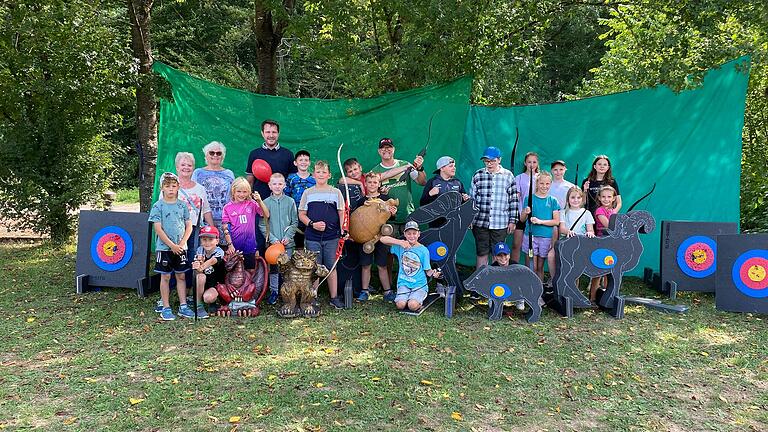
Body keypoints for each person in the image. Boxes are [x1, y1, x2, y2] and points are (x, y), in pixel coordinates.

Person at [298, 160, 346, 309]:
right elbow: (301, 214)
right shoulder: (308, 192)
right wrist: (312, 224)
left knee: (331, 267)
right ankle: (313, 298)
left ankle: (334, 297)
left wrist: (342, 229)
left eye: (324, 172)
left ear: (329, 175)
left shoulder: (336, 192)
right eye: (318, 172)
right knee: (314, 268)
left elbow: (341, 212)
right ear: (313, 174)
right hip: (312, 237)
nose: (321, 174)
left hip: (332, 237)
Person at [148, 172, 193, 321]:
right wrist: (171, 245)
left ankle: (183, 306)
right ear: (162, 188)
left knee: (181, 276)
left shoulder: (182, 205)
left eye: (174, 186)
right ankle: (166, 307)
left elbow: (189, 226)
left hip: (181, 248)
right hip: (165, 249)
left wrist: (180, 244)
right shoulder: (158, 206)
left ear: (178, 187)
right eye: (167, 186)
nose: (171, 189)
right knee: (165, 277)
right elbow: (158, 229)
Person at [470, 146, 519, 270]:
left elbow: (513, 200)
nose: (489, 163)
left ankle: (496, 284)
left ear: (499, 160)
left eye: (492, 160)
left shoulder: (508, 176)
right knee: (481, 253)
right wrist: (469, 218)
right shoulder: (478, 175)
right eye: (486, 161)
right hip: (480, 222)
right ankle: (480, 283)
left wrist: (513, 220)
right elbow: (472, 199)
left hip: (500, 223)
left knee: (498, 254)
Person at [370, 137, 426, 237]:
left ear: (394, 149)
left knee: (410, 249)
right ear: (379, 151)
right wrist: (380, 192)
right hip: (386, 219)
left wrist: (420, 168)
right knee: (390, 250)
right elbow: (372, 195)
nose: (386, 150)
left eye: (389, 147)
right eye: (383, 148)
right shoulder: (374, 171)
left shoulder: (405, 164)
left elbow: (421, 182)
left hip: (408, 216)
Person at [379, 221, 441, 311]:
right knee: (400, 305)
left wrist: (434, 273)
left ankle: (417, 299)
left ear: (418, 234)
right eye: (409, 234)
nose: (412, 236)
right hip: (403, 283)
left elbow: (428, 271)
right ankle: (408, 297)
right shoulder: (400, 246)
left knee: (412, 305)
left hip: (419, 285)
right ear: (404, 234)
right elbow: (382, 239)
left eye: (414, 233)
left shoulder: (423, 250)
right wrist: (400, 242)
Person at [260, 173, 298, 305]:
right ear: (269, 186)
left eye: (280, 184)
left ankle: (288, 292)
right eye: (274, 184)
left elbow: (295, 222)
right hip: (274, 245)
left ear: (284, 185)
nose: (277, 186)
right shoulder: (265, 203)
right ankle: (274, 291)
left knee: (287, 268)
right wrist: (272, 239)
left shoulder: (290, 201)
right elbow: (262, 224)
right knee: (274, 268)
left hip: (287, 244)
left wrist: (288, 237)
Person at [359, 172, 397, 302]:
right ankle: (364, 291)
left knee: (382, 265)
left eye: (375, 182)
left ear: (379, 184)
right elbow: (356, 219)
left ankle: (387, 291)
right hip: (366, 238)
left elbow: (391, 218)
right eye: (369, 182)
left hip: (381, 237)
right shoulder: (362, 200)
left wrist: (392, 213)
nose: (372, 185)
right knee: (366, 265)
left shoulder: (385, 199)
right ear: (365, 183)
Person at [546, 187, 596, 286]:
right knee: (551, 256)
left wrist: (590, 233)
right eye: (573, 197)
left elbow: (591, 230)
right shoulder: (563, 212)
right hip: (565, 242)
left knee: (575, 262)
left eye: (578, 197)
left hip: (580, 244)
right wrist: (569, 231)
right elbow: (562, 228)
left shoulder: (587, 213)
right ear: (568, 199)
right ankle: (555, 281)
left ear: (582, 199)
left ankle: (574, 286)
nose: (576, 200)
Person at [221, 178, 270, 273]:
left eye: (245, 192)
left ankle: (249, 287)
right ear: (233, 191)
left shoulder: (252, 204)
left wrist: (259, 201)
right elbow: (225, 227)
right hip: (234, 246)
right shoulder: (227, 207)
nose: (242, 194)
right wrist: (230, 245)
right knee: (235, 272)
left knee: (250, 271)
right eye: (239, 191)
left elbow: (266, 215)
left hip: (250, 245)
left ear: (249, 192)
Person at [519, 171, 560, 282]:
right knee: (531, 267)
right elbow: (522, 219)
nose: (544, 186)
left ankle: (539, 292)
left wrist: (540, 221)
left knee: (539, 268)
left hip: (546, 238)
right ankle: (529, 291)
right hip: (530, 237)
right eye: (541, 183)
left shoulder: (553, 201)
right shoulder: (529, 198)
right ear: (537, 184)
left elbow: (556, 221)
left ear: (550, 184)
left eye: (547, 184)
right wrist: (525, 212)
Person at [336, 158, 368, 301]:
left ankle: (364, 284)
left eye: (355, 169)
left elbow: (384, 176)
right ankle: (350, 282)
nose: (353, 173)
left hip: (366, 221)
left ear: (360, 168)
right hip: (351, 221)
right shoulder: (349, 182)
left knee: (364, 253)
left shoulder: (368, 177)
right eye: (350, 171)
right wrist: (359, 183)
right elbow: (341, 180)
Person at [191, 141, 235, 240]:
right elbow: (193, 195)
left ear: (222, 156)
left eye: (218, 153)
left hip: (225, 220)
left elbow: (234, 197)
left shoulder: (229, 174)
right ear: (206, 155)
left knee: (226, 251)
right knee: (205, 249)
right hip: (203, 220)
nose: (215, 155)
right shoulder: (198, 173)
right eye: (212, 153)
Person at [246, 119, 297, 199]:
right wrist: (249, 198)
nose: (271, 135)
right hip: (260, 201)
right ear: (262, 133)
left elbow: (293, 180)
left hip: (282, 201)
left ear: (278, 134)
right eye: (268, 132)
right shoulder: (254, 154)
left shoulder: (288, 154)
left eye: (274, 132)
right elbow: (250, 180)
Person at [590, 185, 619, 301]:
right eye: (603, 197)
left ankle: (606, 298)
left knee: (609, 270)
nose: (606, 199)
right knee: (598, 271)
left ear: (613, 198)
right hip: (601, 243)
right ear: (599, 198)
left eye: (609, 197)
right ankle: (592, 298)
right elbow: (608, 225)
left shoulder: (612, 211)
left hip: (611, 244)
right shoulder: (599, 210)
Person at [193, 225, 227, 318]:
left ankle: (214, 301)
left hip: (216, 285)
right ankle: (198, 305)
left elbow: (212, 261)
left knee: (208, 298)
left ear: (217, 241)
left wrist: (201, 266)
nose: (207, 243)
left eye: (210, 239)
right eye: (204, 239)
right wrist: (196, 266)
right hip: (203, 284)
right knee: (200, 276)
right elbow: (197, 270)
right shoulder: (200, 250)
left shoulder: (219, 251)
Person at [512, 152, 539, 265]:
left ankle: (529, 272)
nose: (531, 164)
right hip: (521, 215)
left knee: (531, 247)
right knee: (516, 245)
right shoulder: (519, 178)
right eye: (529, 162)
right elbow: (517, 198)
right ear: (525, 163)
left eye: (534, 162)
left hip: (536, 216)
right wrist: (519, 213)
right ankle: (513, 270)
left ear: (537, 163)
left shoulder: (540, 177)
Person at [284, 150, 315, 248]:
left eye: (306, 160)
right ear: (295, 163)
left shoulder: (314, 179)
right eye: (300, 160)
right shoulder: (291, 178)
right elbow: (286, 195)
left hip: (311, 215)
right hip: (295, 215)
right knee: (298, 242)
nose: (303, 162)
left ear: (309, 162)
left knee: (311, 242)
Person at [491, 242, 525, 312]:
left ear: (509, 255)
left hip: (513, 288)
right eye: (499, 255)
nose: (503, 258)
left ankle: (520, 300)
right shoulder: (492, 268)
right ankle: (495, 302)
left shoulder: (516, 266)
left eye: (505, 254)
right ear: (495, 257)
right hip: (499, 289)